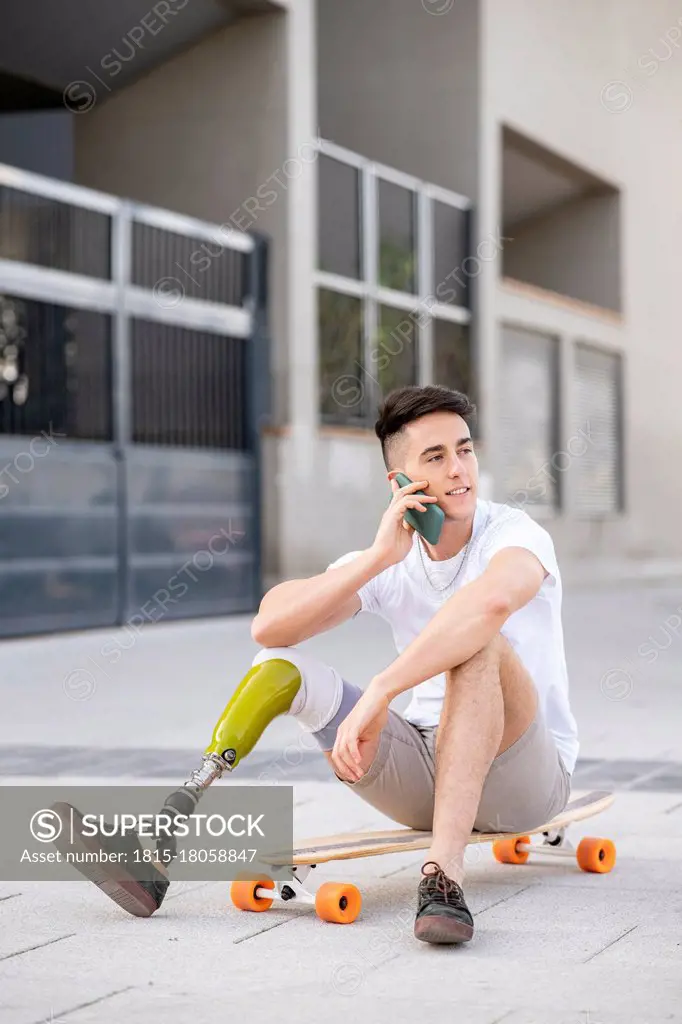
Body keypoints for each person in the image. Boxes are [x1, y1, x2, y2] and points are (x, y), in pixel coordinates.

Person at [55, 384, 578, 946]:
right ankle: (163, 834)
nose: (459, 469)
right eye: (436, 457)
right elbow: (270, 624)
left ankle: (443, 878)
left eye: (465, 449)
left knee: (479, 643)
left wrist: (381, 690)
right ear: (399, 483)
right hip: (429, 771)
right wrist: (378, 558)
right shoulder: (394, 556)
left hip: (525, 777)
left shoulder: (515, 535)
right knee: (279, 664)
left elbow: (489, 606)